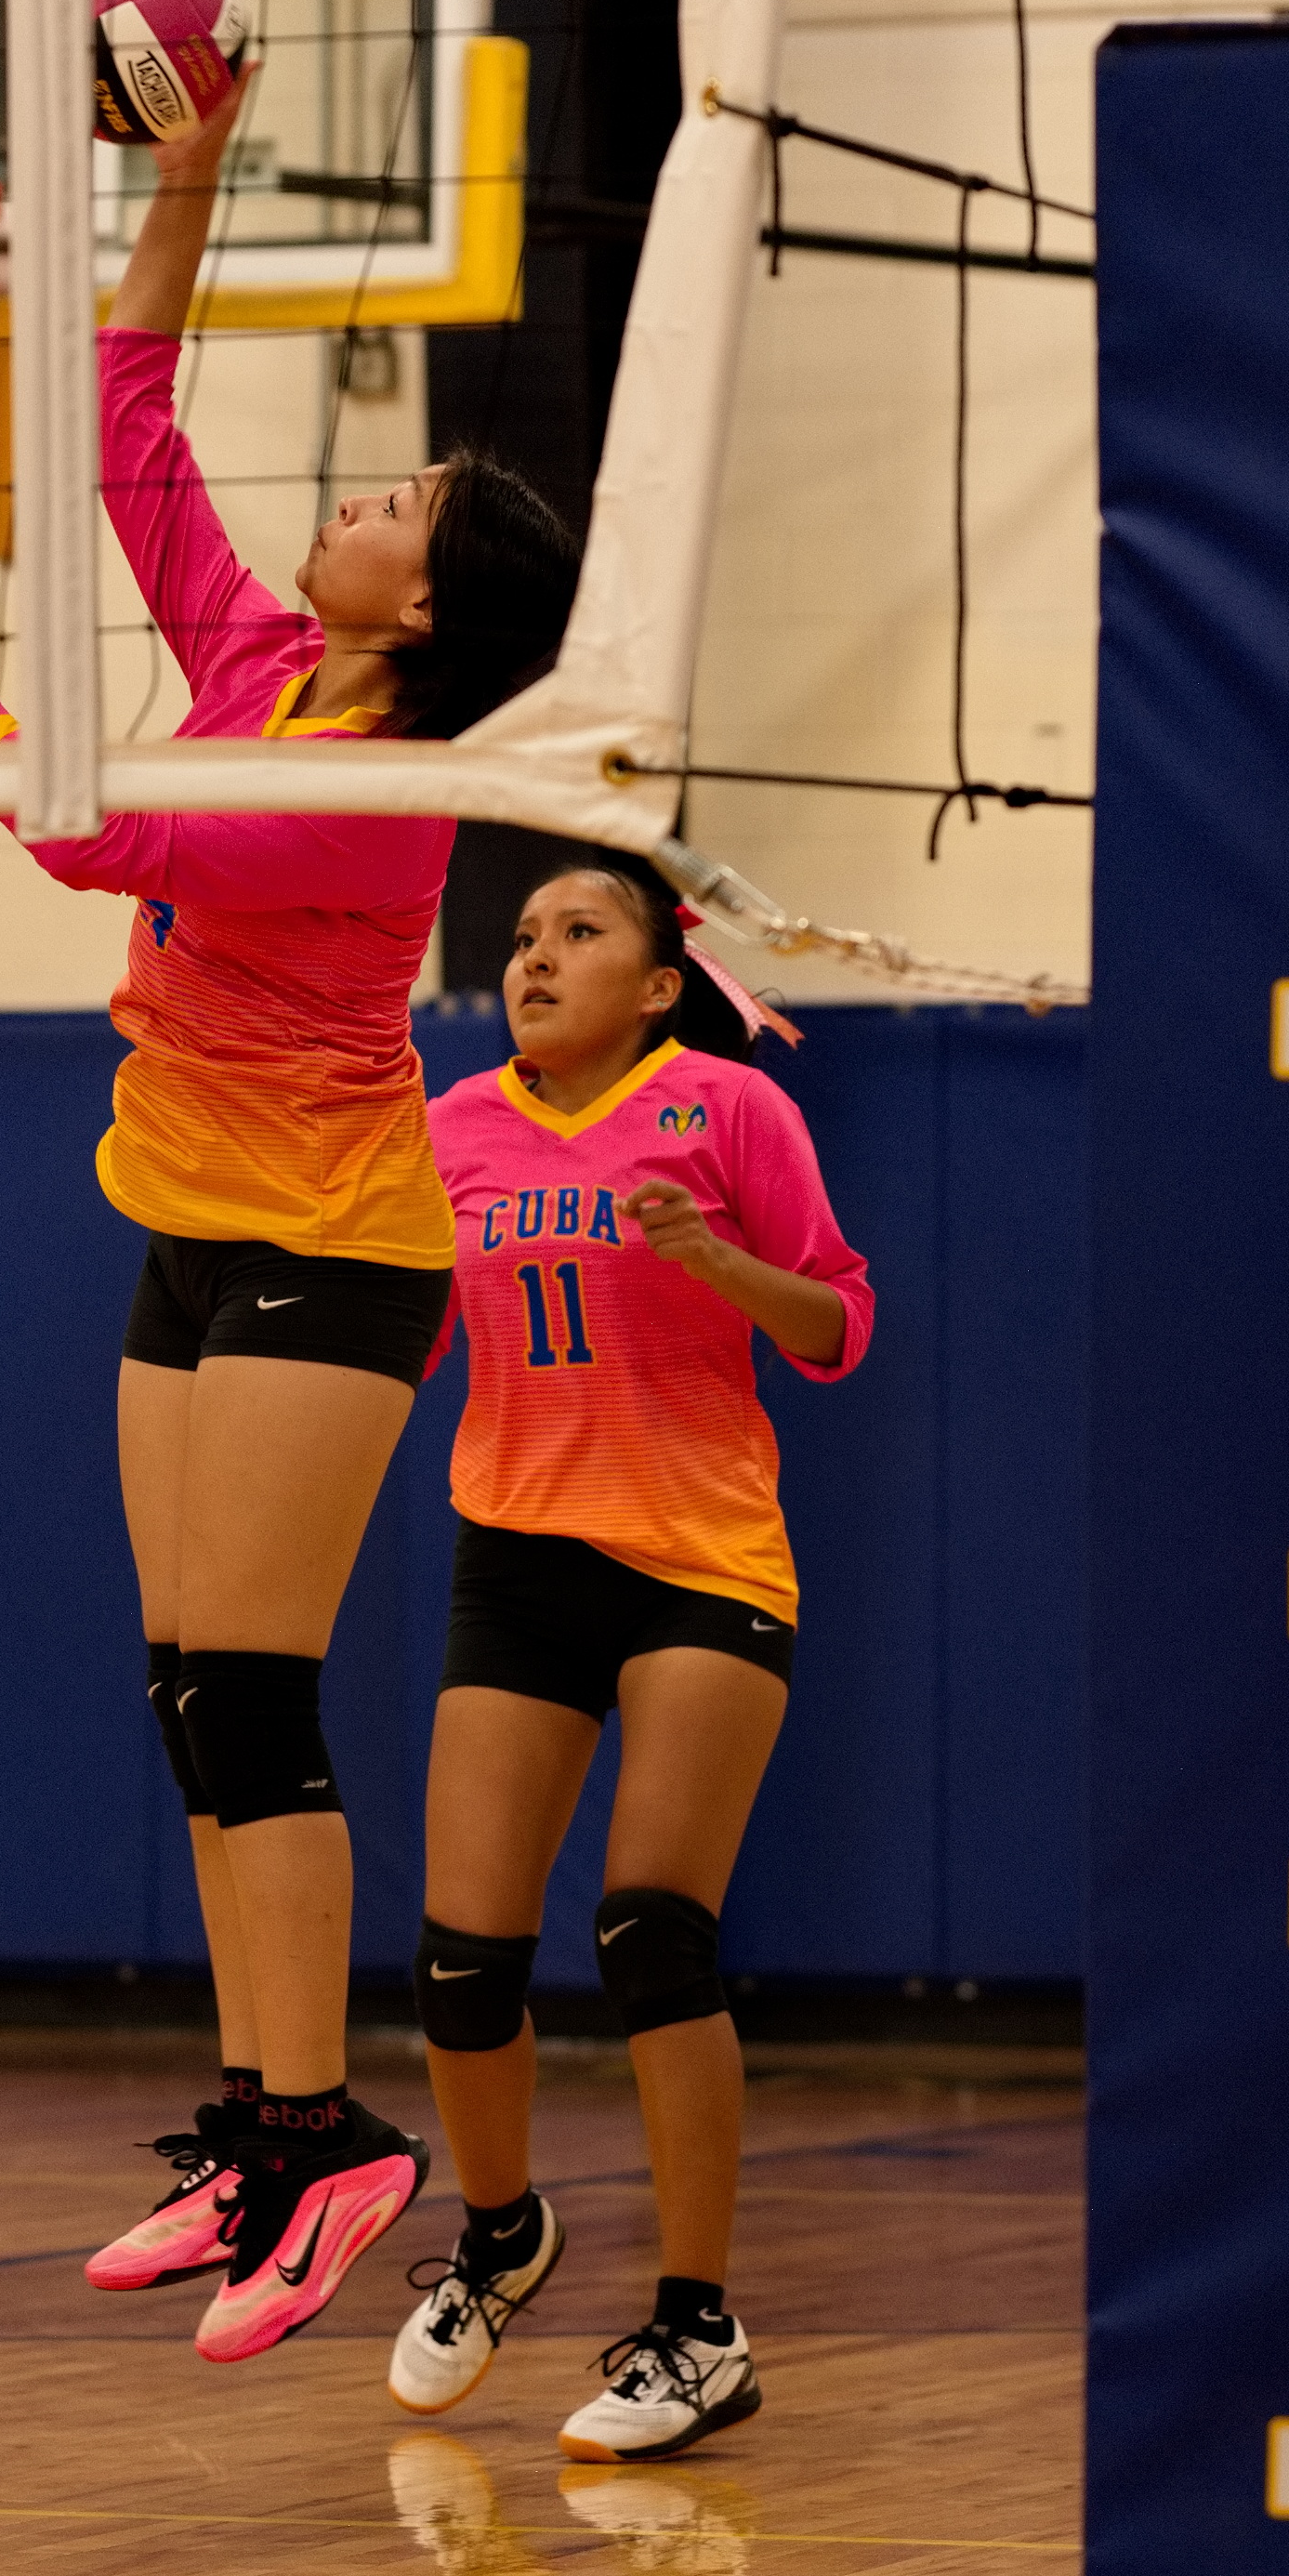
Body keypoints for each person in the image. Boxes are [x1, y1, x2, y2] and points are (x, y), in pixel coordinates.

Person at [0, 96, 583, 2366]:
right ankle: (265, 2130)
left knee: (250, 1685)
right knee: (185, 1684)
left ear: (419, 610)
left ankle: (337, 2139)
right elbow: (124, 412)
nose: (347, 497)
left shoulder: (357, 795)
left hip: (339, 1244)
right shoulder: (257, 655)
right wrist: (189, 162)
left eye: (392, 505)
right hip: (186, 1204)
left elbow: (80, 835)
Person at [382, 860, 872, 2460]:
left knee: (650, 1933)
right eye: (521, 937)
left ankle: (697, 2327)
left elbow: (835, 1326)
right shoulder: (448, 1130)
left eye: (576, 934)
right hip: (516, 1552)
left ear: (657, 981)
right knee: (460, 1958)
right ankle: (502, 2234)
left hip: (698, 1559)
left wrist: (716, 1262)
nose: (534, 957)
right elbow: (412, 1337)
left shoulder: (725, 1109)